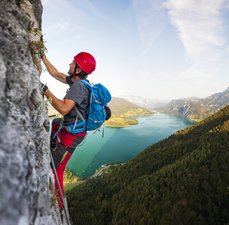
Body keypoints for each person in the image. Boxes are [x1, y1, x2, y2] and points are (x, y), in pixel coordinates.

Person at [40, 51, 96, 211]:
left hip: (72, 136)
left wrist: (45, 91)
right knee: (57, 122)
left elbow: (64, 109)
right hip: (73, 130)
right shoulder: (78, 82)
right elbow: (55, 73)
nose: (70, 64)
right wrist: (42, 56)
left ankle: (59, 209)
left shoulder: (78, 86)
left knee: (56, 170)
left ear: (78, 69)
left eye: (73, 63)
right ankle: (53, 145)